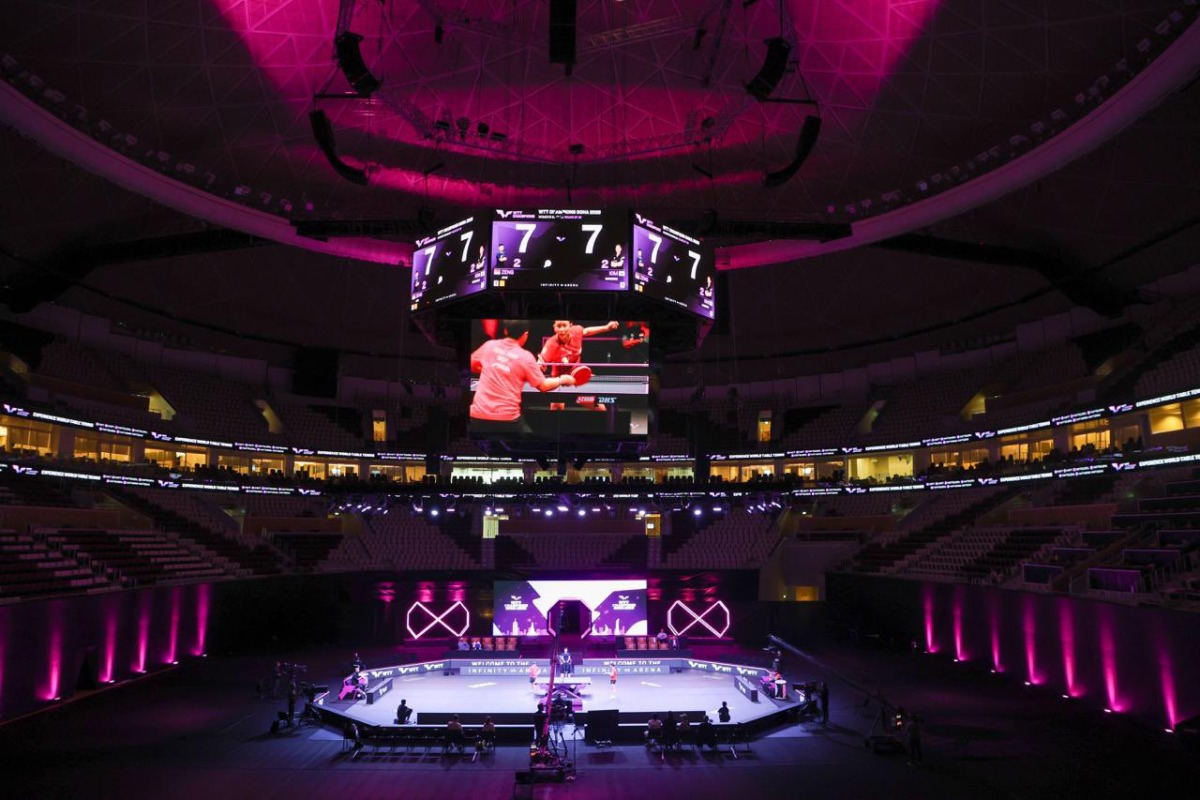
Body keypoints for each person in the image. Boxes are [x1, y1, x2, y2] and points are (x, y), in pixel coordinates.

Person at [469, 319, 578, 435]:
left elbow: (472, 364)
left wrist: (492, 369)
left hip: (476, 416)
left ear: (505, 331)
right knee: (532, 447)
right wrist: (563, 379)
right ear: (526, 335)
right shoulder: (525, 357)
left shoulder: (489, 346)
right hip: (508, 419)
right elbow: (544, 386)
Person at [537, 319, 619, 377]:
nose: (562, 329)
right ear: (554, 327)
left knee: (594, 394)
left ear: (570, 325)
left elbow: (586, 331)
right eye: (558, 326)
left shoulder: (576, 331)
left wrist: (606, 327)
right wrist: (539, 366)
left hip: (576, 372)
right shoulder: (551, 343)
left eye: (564, 326)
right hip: (560, 377)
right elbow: (540, 363)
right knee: (558, 402)